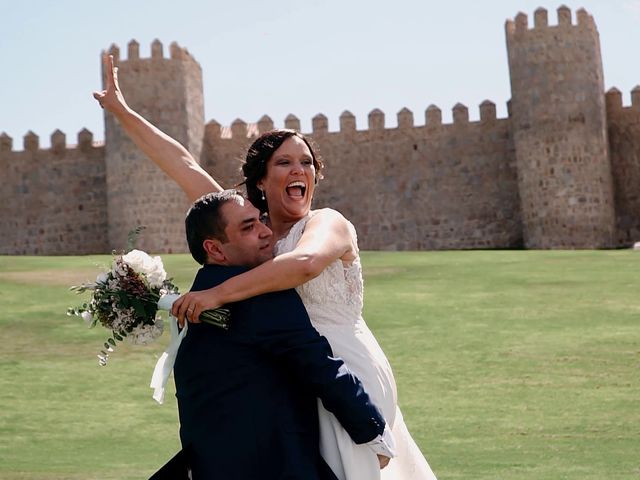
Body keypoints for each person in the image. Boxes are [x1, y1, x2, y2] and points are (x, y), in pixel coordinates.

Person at [95, 55, 437, 480]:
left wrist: (215, 295)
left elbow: (305, 263)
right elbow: (183, 167)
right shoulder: (253, 229)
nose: (300, 170)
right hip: (290, 371)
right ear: (260, 181)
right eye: (285, 163)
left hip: (346, 366)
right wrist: (123, 113)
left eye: (307, 163)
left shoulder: (327, 222)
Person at [151, 190, 392, 479]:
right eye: (248, 227)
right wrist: (373, 432)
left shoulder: (189, 306)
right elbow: (319, 365)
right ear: (215, 249)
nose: (266, 232)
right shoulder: (263, 296)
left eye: (260, 220)